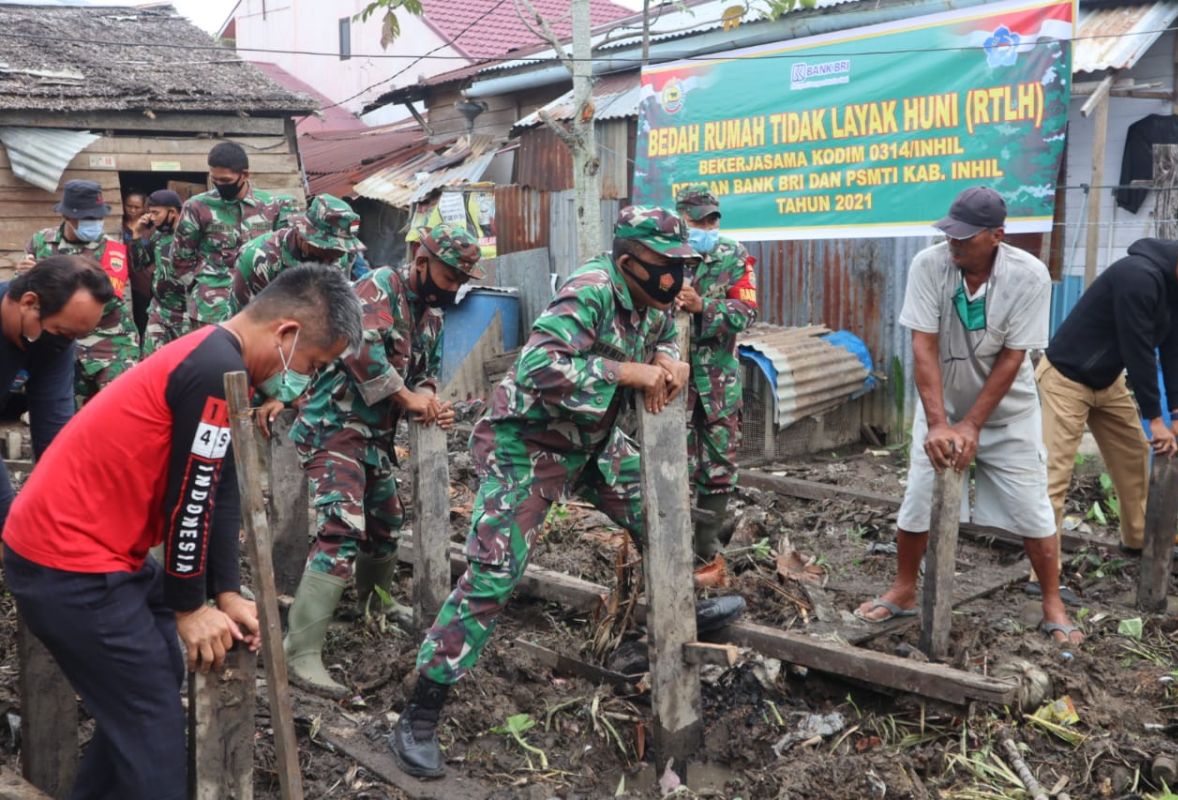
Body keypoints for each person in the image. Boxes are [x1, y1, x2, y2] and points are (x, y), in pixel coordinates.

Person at [390, 207, 745, 778]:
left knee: (663, 519)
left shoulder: (648, 300)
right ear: (630, 262)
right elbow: (539, 367)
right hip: (528, 443)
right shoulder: (593, 290)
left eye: (684, 266)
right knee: (494, 573)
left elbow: (658, 345)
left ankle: (679, 612)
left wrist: (666, 359)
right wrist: (626, 373)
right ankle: (421, 711)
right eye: (667, 266)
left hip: (594, 442)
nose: (677, 278)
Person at [2, 264, 362, 800]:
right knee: (153, 725)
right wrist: (190, 609)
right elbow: (189, 501)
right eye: (313, 363)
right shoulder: (214, 367)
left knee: (150, 688)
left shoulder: (221, 358)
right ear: (286, 334)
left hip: (96, 555)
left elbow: (222, 483)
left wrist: (225, 592)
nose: (304, 379)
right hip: (68, 562)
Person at [852, 187, 1081, 645]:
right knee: (918, 499)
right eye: (949, 233)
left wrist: (973, 425)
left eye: (965, 237)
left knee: (1033, 509)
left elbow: (1014, 357)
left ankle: (1053, 602)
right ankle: (903, 589)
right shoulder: (929, 265)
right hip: (942, 407)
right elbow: (923, 346)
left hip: (1008, 414)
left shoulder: (1029, 276)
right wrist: (939, 422)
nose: (953, 242)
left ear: (997, 235)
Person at [280, 223, 479, 698]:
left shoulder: (431, 316)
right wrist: (406, 396)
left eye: (460, 280)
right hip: (334, 426)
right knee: (342, 525)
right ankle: (300, 652)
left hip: (372, 436)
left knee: (387, 520)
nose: (453, 287)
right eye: (448, 276)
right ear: (422, 260)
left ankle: (374, 602)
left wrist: (430, 398)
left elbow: (427, 372)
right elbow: (360, 350)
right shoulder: (379, 286)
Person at [1038, 241, 1178, 576]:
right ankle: (1041, 575)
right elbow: (1137, 348)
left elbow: (1176, 349)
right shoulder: (1136, 277)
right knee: (1055, 474)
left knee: (1133, 454)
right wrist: (1155, 419)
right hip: (1066, 378)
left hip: (1106, 381)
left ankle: (1138, 540)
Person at [673, 185, 758, 558]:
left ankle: (705, 544)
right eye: (698, 220)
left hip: (719, 384)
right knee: (671, 461)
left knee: (720, 464)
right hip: (671, 383)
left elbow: (746, 312)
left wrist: (702, 306)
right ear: (681, 219)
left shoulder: (733, 256)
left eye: (712, 219)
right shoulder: (663, 254)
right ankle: (668, 542)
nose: (706, 226)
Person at [0, 255, 111, 526]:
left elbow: (54, 429)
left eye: (75, 337)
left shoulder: (54, 340)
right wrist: (8, 523)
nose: (65, 344)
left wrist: (68, 519)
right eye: (62, 333)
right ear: (28, 302)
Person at [25, 180, 140, 406]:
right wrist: (28, 276)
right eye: (88, 219)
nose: (95, 224)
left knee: (120, 408)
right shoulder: (41, 242)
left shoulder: (112, 249)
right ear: (67, 216)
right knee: (68, 418)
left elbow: (105, 299)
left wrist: (45, 279)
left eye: (98, 218)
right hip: (60, 346)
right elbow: (26, 295)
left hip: (111, 346)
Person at [171, 141, 297, 337]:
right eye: (215, 180)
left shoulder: (273, 207)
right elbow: (180, 257)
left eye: (226, 180)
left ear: (245, 175)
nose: (220, 185)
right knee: (212, 365)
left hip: (260, 308)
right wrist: (200, 285)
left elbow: (286, 255)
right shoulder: (197, 207)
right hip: (211, 310)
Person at [231, 193, 366, 312]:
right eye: (328, 248)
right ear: (303, 235)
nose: (335, 257)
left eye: (341, 250)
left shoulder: (338, 255)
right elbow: (242, 322)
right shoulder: (257, 259)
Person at [131, 189, 183, 346]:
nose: (151, 218)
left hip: (187, 314)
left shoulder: (191, 235)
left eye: (155, 213)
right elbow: (140, 264)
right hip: (160, 311)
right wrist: (137, 235)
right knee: (151, 360)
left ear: (172, 212)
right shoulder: (158, 236)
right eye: (150, 213)